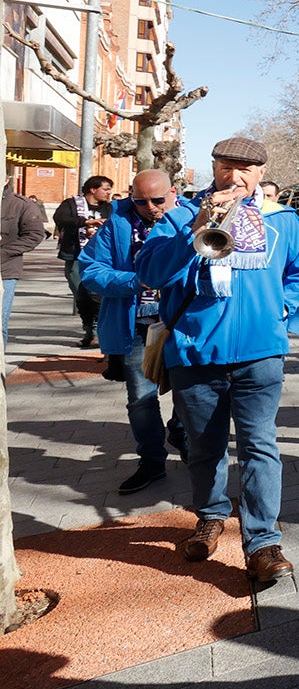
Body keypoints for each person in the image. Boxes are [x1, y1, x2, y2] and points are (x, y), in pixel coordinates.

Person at [135, 137, 299, 581]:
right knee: (204, 448)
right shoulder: (177, 218)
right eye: (226, 168)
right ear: (213, 168)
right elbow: (150, 273)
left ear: (260, 174)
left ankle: (263, 543)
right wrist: (195, 226)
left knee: (260, 447)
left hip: (261, 354)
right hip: (195, 354)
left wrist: (281, 316)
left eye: (246, 170)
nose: (235, 178)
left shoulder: (283, 220)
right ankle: (211, 516)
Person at [79, 169, 189, 494]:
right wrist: (133, 282)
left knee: (191, 394)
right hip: (137, 326)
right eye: (140, 201)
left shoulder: (192, 218)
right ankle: (152, 463)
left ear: (173, 192)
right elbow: (91, 270)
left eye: (158, 200)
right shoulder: (117, 224)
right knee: (141, 400)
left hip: (185, 324)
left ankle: (182, 433)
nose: (151, 207)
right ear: (130, 196)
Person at [54, 174, 114, 347]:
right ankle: (89, 328)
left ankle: (97, 330)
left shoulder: (109, 208)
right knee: (80, 294)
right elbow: (60, 219)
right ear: (93, 189)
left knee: (96, 295)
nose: (109, 192)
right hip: (75, 255)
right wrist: (86, 223)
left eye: (110, 189)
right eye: (105, 189)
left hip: (100, 257)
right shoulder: (71, 204)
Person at [2, 176, 47, 346]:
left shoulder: (21, 205)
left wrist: (4, 252)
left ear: (7, 179)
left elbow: (35, 235)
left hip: (4, 270)